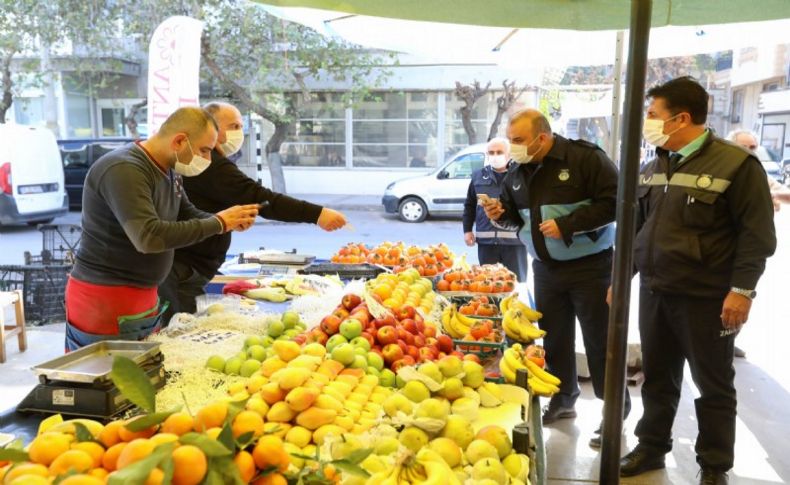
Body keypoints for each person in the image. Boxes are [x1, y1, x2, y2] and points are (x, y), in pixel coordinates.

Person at [618, 77, 776, 484]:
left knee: (714, 384)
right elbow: (638, 228)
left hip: (707, 299)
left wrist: (741, 292)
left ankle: (714, 464)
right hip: (655, 292)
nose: (647, 121)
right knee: (657, 377)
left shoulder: (737, 165)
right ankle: (652, 447)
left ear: (681, 118)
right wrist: (620, 279)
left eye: (652, 114)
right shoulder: (653, 165)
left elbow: (756, 237)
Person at [481, 109, 630, 441]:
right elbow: (513, 219)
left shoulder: (584, 159)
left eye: (518, 140)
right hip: (546, 270)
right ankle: (564, 399)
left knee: (601, 342)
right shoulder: (517, 173)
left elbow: (618, 202)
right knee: (555, 339)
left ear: (542, 138)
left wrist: (568, 224)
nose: (512, 147)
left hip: (592, 268)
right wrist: (498, 214)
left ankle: (615, 412)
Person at [65, 107, 259, 351]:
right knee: (111, 380)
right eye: (205, 151)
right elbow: (148, 237)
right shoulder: (124, 170)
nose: (208, 160)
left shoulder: (169, 169)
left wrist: (225, 222)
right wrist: (218, 222)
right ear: (179, 141)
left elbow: (186, 213)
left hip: (144, 295)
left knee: (143, 375)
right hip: (106, 297)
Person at [159, 102, 348, 320]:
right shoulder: (209, 165)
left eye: (241, 126)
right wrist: (317, 214)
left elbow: (189, 211)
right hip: (183, 269)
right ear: (209, 129)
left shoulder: (204, 163)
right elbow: (260, 198)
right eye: (233, 126)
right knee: (177, 331)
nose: (239, 133)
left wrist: (224, 222)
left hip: (189, 267)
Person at [462, 137, 528, 281]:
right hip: (487, 244)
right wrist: (467, 230)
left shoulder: (520, 175)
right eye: (491, 152)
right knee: (488, 285)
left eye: (499, 152)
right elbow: (469, 205)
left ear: (509, 154)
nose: (495, 156)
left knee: (515, 285)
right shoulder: (478, 176)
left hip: (515, 244)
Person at [727, 129, 790, 212]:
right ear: (731, 148)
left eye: (752, 147)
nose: (749, 151)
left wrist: (773, 195)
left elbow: (787, 194)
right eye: (743, 147)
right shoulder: (723, 170)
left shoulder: (757, 173)